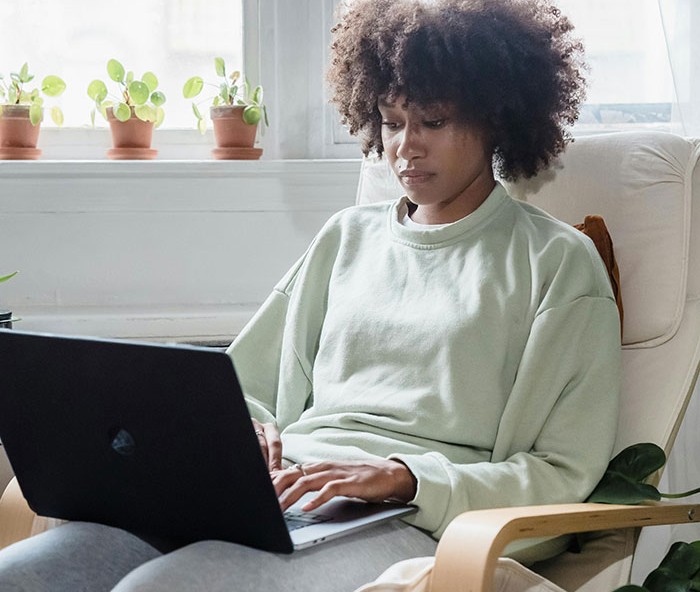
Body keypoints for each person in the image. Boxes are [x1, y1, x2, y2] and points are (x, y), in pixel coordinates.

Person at [0, 0, 621, 590]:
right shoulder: (346, 238)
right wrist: (248, 431)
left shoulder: (556, 263)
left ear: (497, 119)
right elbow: (243, 388)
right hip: (278, 498)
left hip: (408, 523)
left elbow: (561, 473)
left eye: (435, 121)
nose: (407, 145)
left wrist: (407, 480)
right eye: (393, 121)